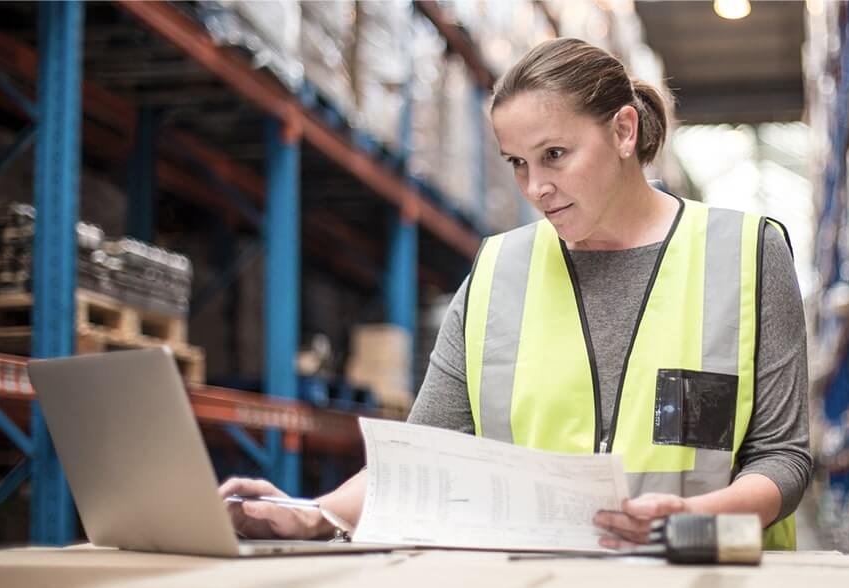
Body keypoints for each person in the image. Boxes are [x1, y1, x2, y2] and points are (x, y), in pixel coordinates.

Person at [220, 37, 812, 551]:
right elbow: (426, 453)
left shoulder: (746, 254)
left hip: (704, 577)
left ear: (623, 131)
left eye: (555, 155)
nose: (536, 187)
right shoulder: (500, 269)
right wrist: (315, 514)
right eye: (517, 164)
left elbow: (783, 458)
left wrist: (693, 521)